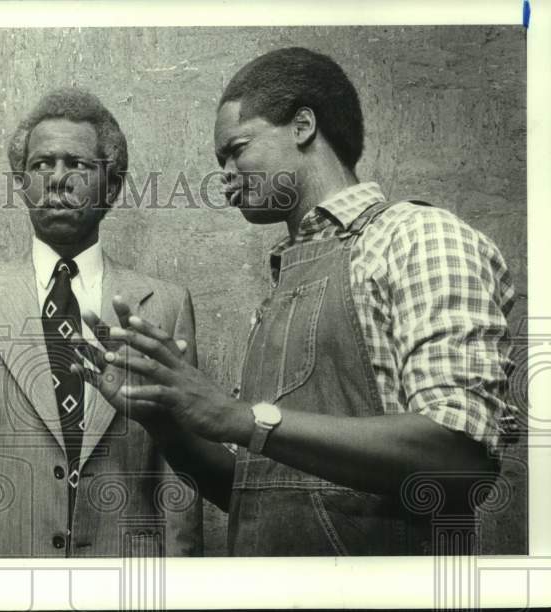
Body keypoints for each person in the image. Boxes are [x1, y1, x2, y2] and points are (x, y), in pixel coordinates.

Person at [75, 47, 518, 556]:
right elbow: (254, 492)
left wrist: (240, 417)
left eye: (237, 148)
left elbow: (457, 458)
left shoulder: (419, 237)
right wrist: (165, 417)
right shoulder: (283, 285)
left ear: (303, 125)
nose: (225, 176)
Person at [0, 88, 202, 558]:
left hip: (124, 572)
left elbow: (181, 476)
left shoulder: (163, 304)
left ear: (111, 184)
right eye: (42, 164)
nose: (57, 179)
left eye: (78, 165)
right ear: (23, 182)